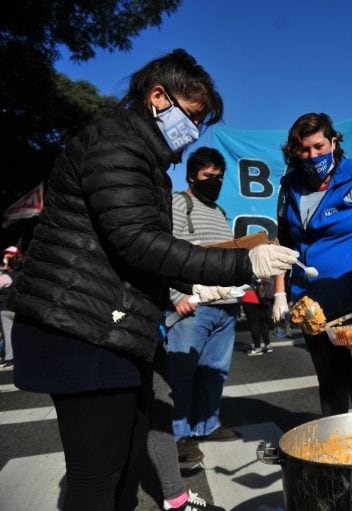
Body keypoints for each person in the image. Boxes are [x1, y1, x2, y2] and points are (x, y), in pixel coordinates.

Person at [9, 49, 297, 511]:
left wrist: (194, 288)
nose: (194, 131)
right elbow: (137, 241)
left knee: (123, 469)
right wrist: (245, 265)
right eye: (192, 116)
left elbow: (127, 255)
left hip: (111, 327)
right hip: (83, 330)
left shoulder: (139, 155)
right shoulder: (116, 146)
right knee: (97, 477)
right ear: (158, 97)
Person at [273, 112, 352, 417]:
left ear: (334, 142)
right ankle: (338, 454)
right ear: (295, 152)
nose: (313, 155)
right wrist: (280, 294)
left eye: (319, 146)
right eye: (305, 150)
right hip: (311, 306)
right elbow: (284, 243)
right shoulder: (289, 187)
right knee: (330, 383)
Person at [167, 146, 248, 457]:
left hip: (225, 306)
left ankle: (207, 425)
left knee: (215, 370)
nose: (214, 182)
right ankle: (178, 434)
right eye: (207, 176)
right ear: (191, 176)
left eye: (218, 177)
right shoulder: (178, 204)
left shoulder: (220, 212)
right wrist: (177, 296)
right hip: (193, 306)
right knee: (182, 372)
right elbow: (163, 254)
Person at [0, 246, 21, 367]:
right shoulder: (20, 275)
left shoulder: (4, 276)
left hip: (5, 308)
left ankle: (9, 358)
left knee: (7, 333)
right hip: (16, 308)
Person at [243, 278, 274, 356]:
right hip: (263, 296)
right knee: (263, 322)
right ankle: (268, 345)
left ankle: (257, 348)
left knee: (253, 323)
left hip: (249, 294)